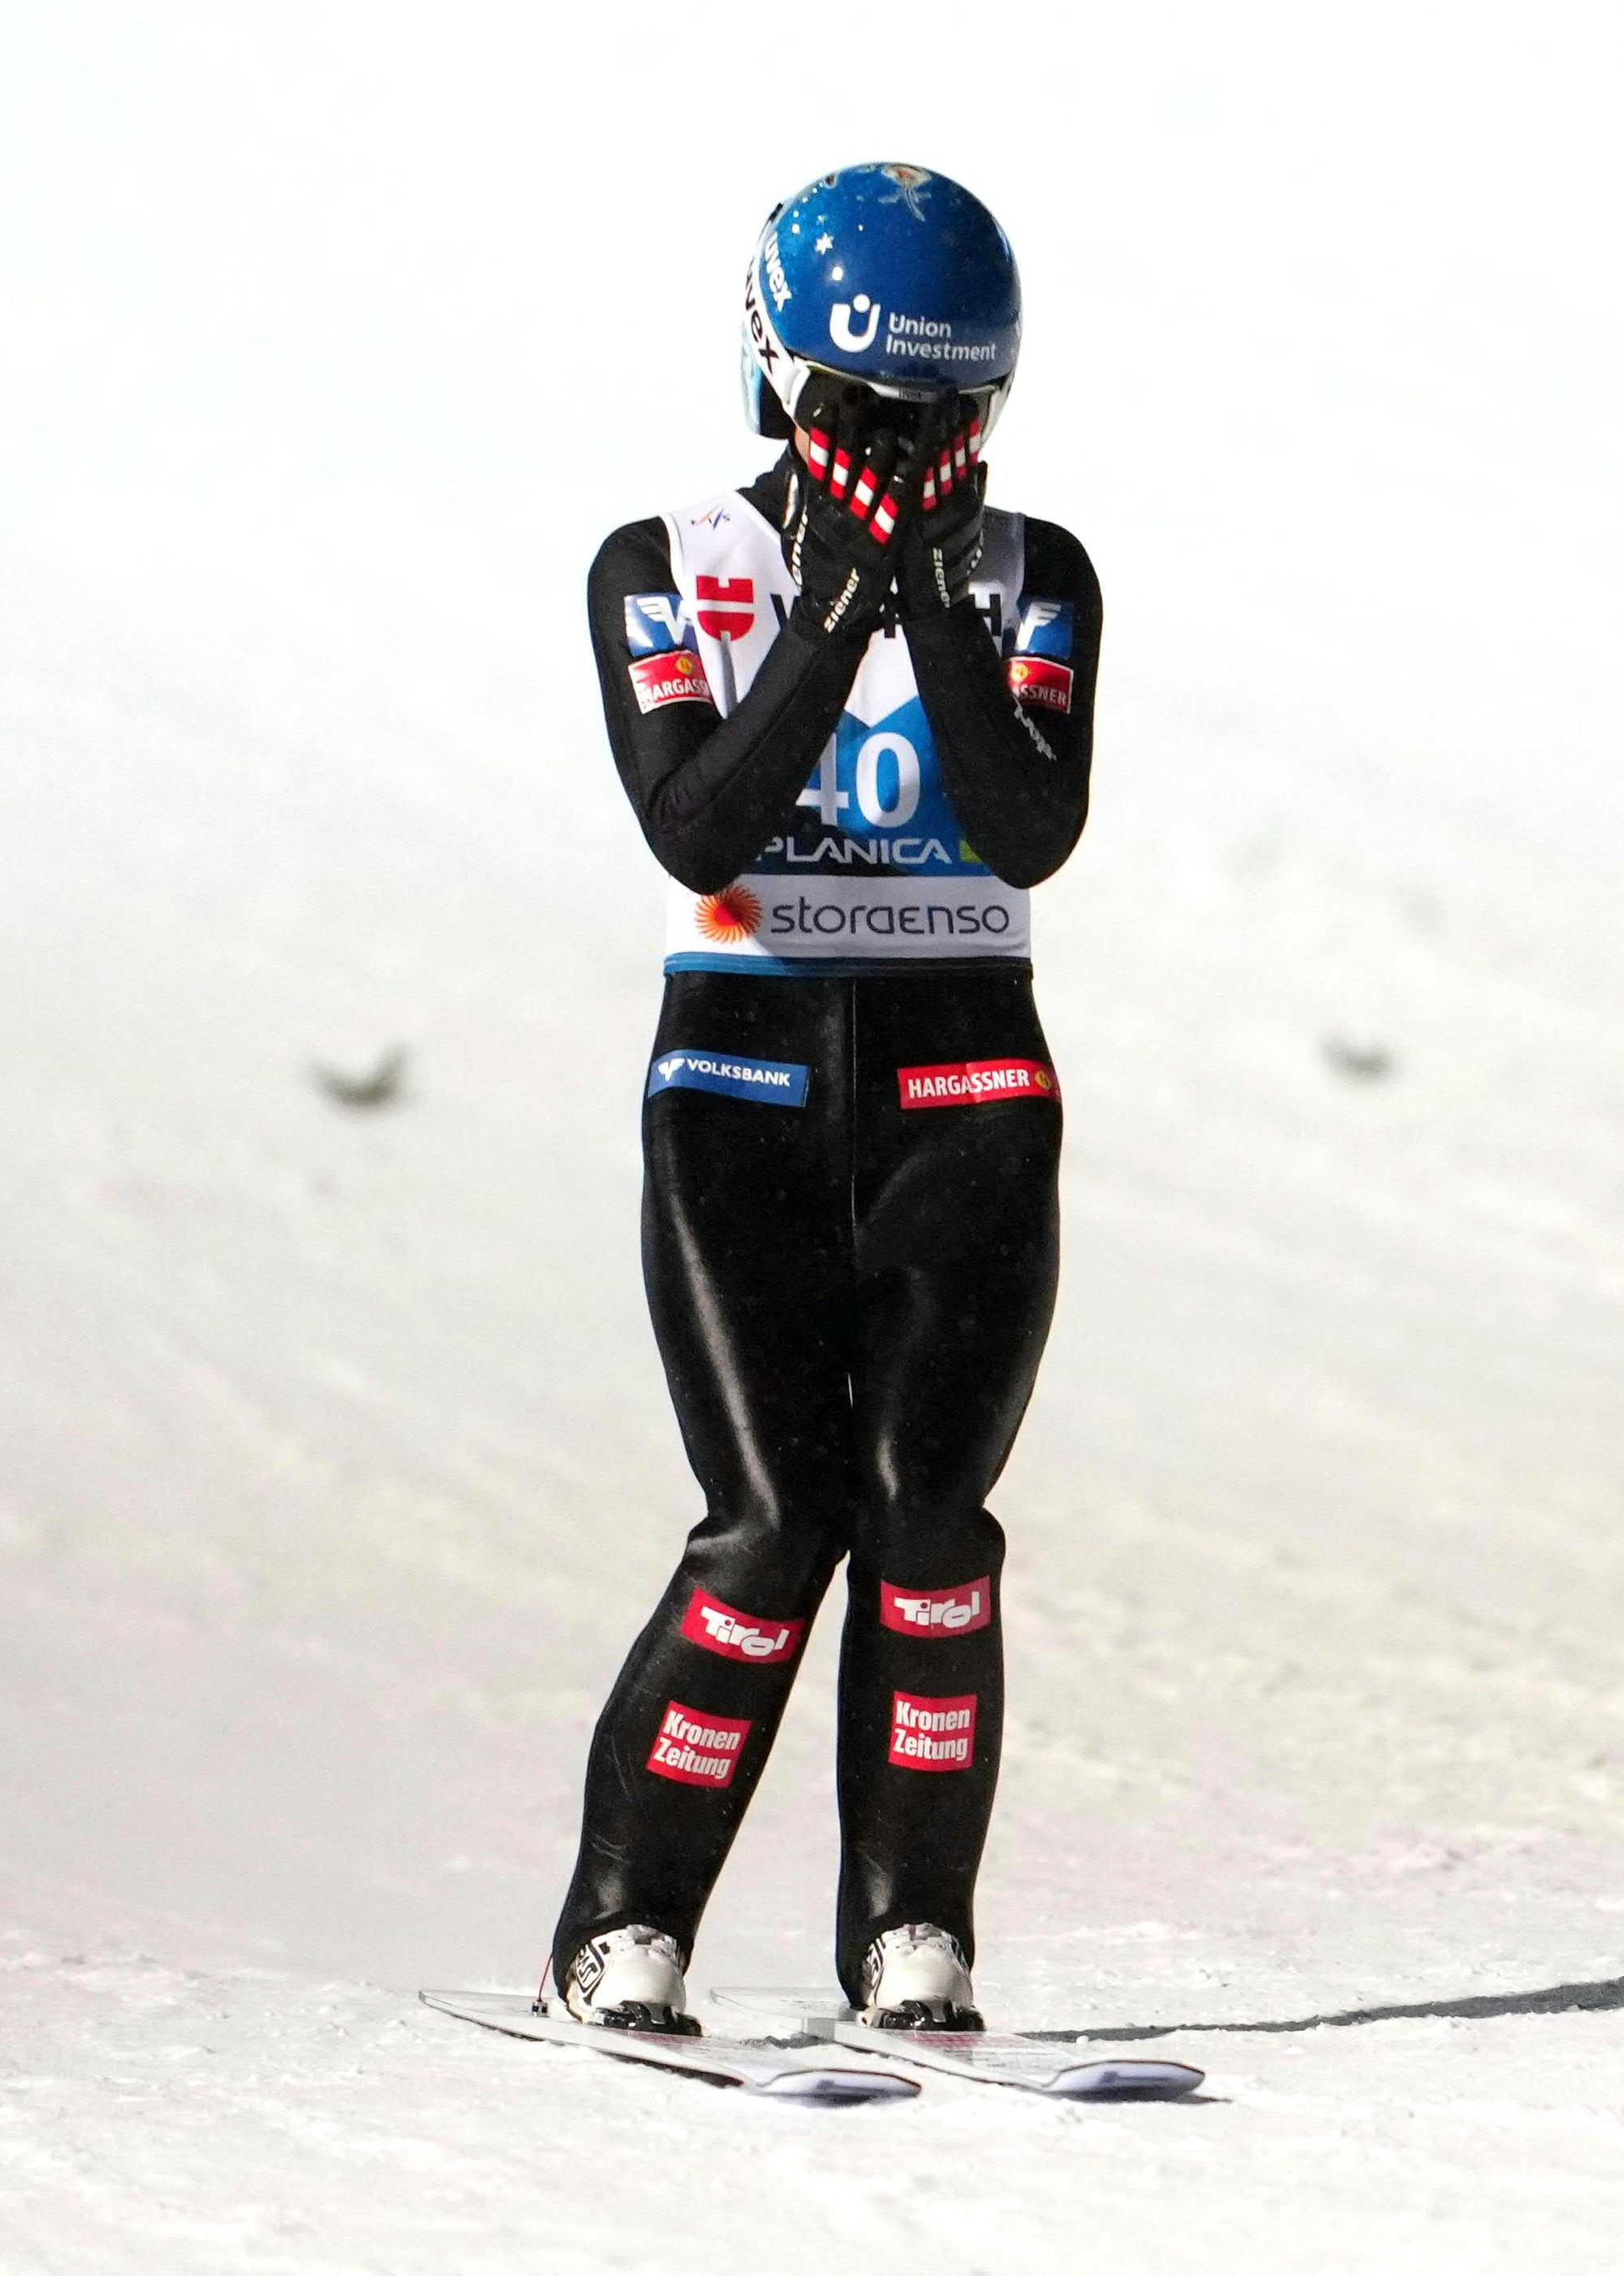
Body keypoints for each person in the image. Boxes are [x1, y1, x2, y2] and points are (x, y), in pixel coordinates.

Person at [543, 162, 1100, 2035]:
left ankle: (911, 1933)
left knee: (927, 1516)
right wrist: (831, 608)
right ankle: (624, 1928)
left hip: (965, 1080)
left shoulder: (1036, 578)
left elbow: (1032, 825)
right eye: (869, 409)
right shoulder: (666, 563)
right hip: (741, 1077)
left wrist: (922, 599)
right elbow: (693, 821)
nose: (904, 448)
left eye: (944, 416)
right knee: (772, 1518)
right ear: (779, 378)